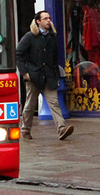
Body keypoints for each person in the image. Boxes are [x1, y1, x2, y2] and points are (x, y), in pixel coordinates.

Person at [16, 11, 75, 140]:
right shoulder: (30, 36)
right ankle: (25, 129)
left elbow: (55, 57)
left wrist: (57, 73)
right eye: (45, 18)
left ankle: (61, 129)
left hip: (49, 75)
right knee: (30, 104)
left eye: (49, 18)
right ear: (38, 21)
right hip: (34, 75)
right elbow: (19, 54)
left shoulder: (52, 36)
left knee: (54, 102)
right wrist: (25, 72)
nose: (48, 20)